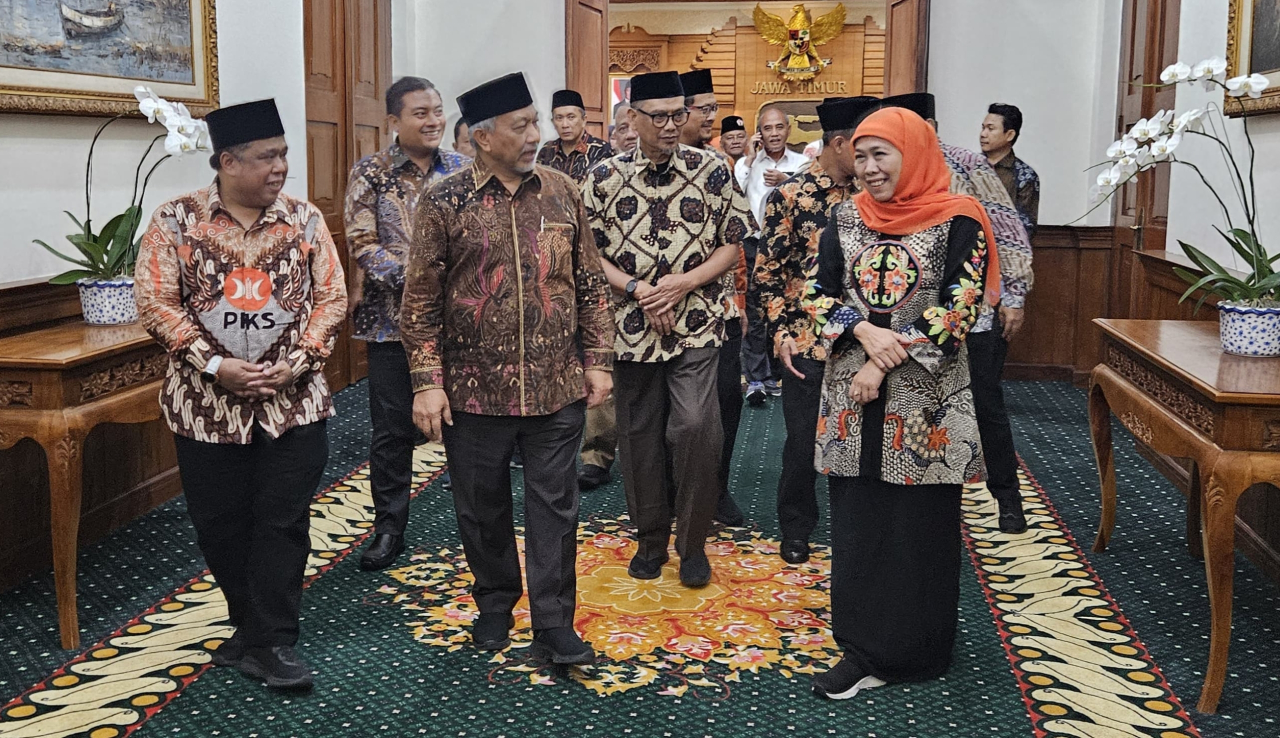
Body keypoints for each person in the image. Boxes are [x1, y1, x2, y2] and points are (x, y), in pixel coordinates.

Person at [400, 72, 614, 664]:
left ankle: (552, 623)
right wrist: (427, 384)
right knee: (480, 504)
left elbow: (591, 285)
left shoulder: (563, 192)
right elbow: (419, 304)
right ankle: (495, 600)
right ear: (482, 137)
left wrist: (597, 362)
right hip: (474, 393)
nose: (534, 135)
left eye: (535, 122)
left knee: (556, 506)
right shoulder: (444, 202)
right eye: (520, 126)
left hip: (556, 385)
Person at [134, 99, 348, 690]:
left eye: (283, 155)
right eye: (267, 157)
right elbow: (155, 303)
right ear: (227, 161)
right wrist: (213, 364)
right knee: (221, 524)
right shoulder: (175, 222)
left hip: (293, 406)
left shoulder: (304, 221)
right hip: (204, 411)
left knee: (282, 522)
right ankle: (248, 628)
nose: (281, 167)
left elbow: (332, 297)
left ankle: (273, 642)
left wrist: (299, 360)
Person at [810, 106, 997, 699]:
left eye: (880, 155)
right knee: (859, 519)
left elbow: (959, 309)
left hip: (926, 402)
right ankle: (862, 646)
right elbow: (816, 294)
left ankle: (916, 648)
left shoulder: (960, 218)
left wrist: (879, 360)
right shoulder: (844, 217)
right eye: (860, 156)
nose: (867, 168)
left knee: (919, 525)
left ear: (912, 152)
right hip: (851, 399)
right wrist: (862, 332)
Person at [583, 71, 754, 587]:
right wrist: (640, 290)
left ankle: (693, 543)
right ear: (631, 117)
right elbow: (590, 256)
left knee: (697, 428)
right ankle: (651, 539)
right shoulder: (604, 177)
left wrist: (681, 285)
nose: (670, 125)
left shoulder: (712, 171)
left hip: (697, 323)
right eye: (657, 115)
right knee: (638, 438)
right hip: (632, 327)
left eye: (678, 114)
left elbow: (733, 242)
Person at [882, 93, 1034, 534]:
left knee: (986, 406)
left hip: (971, 316)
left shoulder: (966, 163)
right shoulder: (884, 169)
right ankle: (918, 509)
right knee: (914, 408)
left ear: (931, 123)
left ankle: (1008, 498)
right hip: (908, 320)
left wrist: (1015, 295)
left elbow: (1007, 228)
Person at [344, 77, 470, 571]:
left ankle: (474, 526)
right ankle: (389, 528)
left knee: (467, 430)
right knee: (392, 433)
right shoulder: (370, 172)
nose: (434, 120)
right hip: (390, 326)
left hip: (459, 328)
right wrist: (420, 280)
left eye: (437, 110)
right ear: (394, 121)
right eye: (421, 113)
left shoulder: (463, 169)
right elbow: (361, 241)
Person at [754, 96, 878, 565]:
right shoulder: (790, 195)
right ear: (840, 144)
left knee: (862, 438)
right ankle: (796, 528)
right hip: (805, 340)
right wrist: (781, 331)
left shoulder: (876, 199)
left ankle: (857, 529)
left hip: (864, 342)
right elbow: (768, 272)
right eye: (862, 148)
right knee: (803, 439)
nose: (870, 160)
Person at [678, 68, 749, 528]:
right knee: (670, 416)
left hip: (717, 310)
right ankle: (666, 499)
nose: (712, 117)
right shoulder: (633, 168)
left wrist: (738, 302)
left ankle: (716, 492)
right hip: (657, 313)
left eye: (713, 108)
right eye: (704, 109)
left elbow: (737, 239)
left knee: (725, 401)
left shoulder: (718, 166)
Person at [736, 105, 809, 404]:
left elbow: (809, 198)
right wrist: (751, 160)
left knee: (786, 310)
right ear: (759, 133)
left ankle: (782, 373)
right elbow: (733, 197)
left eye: (779, 127)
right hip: (753, 245)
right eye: (768, 129)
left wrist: (785, 182)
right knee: (753, 314)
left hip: (789, 248)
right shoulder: (745, 164)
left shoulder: (802, 163)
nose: (774, 134)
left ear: (788, 130)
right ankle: (757, 378)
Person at [981, 102, 1040, 237]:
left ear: (1009, 135)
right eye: (983, 128)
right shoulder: (970, 166)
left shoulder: (1025, 175)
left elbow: (1026, 226)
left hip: (1004, 250)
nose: (983, 134)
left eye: (990, 129)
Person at [536, 88, 613, 183]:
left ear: (584, 120)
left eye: (571, 117)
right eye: (559, 118)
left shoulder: (602, 151)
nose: (565, 125)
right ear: (553, 122)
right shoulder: (547, 150)